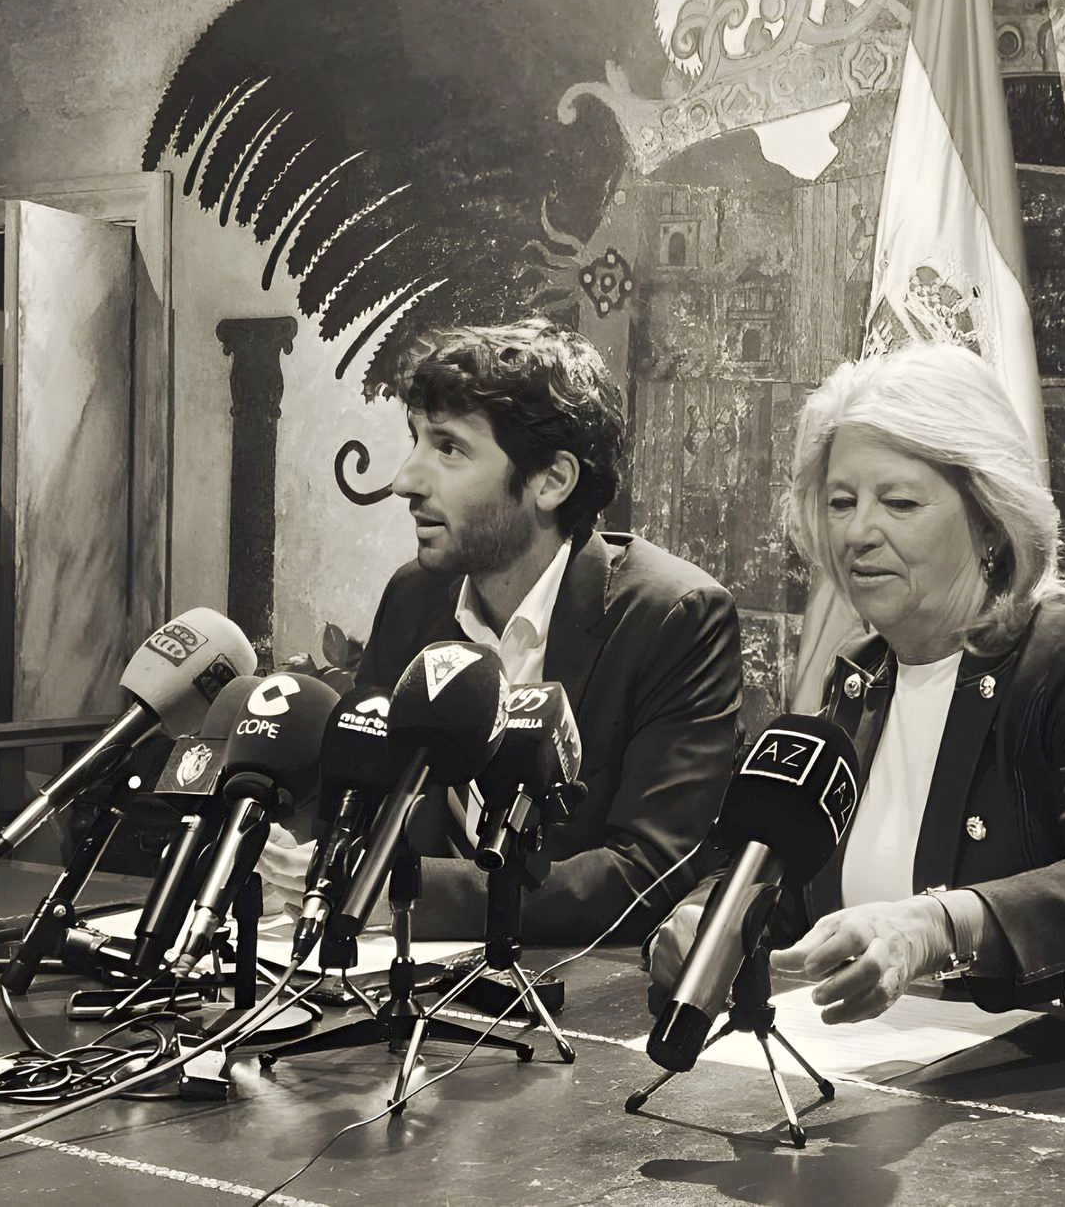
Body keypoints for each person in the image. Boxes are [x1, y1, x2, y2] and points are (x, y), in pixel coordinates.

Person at [647, 342, 1065, 1022]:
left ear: (990, 521)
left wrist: (937, 926)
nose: (858, 532)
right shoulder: (858, 676)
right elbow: (790, 887)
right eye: (841, 502)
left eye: (899, 502)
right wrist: (705, 922)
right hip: (886, 1071)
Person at [261, 319, 741, 945]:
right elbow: (366, 805)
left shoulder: (675, 616)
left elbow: (645, 876)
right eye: (416, 440)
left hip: (577, 991)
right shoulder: (413, 597)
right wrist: (297, 861)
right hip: (400, 982)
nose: (406, 480)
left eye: (449, 449)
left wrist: (398, 892)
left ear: (552, 481)